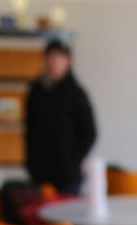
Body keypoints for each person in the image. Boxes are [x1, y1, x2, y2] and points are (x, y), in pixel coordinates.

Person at [25, 39, 97, 195]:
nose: (54, 62)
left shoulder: (76, 93)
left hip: (67, 176)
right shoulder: (36, 92)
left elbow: (89, 132)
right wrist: (30, 164)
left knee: (68, 215)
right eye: (50, 57)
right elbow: (29, 130)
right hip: (40, 173)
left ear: (68, 61)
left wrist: (72, 160)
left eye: (59, 57)